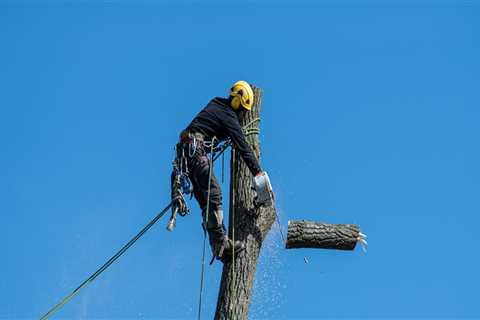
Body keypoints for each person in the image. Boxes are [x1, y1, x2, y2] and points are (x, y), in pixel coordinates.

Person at [171, 80, 264, 263]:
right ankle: (221, 242)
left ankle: (219, 247)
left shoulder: (216, 104)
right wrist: (258, 173)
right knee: (214, 193)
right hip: (195, 153)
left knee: (207, 204)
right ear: (237, 102)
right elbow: (243, 147)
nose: (241, 115)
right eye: (242, 111)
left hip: (186, 157)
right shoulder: (228, 115)